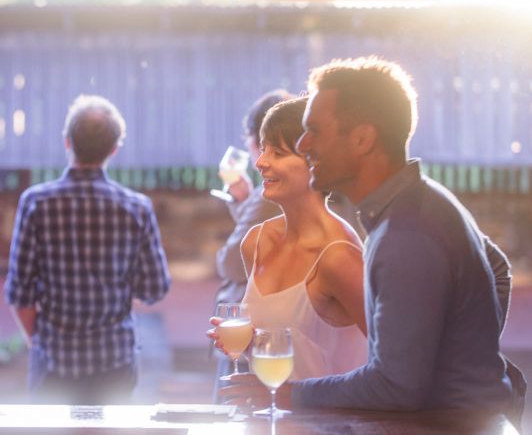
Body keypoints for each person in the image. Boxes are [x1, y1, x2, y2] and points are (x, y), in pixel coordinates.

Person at [223, 56, 521, 417]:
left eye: (314, 130)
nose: (304, 143)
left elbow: (394, 386)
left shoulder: (407, 233)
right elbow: (497, 268)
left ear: (363, 139)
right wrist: (468, 354)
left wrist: (288, 395)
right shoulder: (415, 206)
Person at [4, 94, 171, 404]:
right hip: (116, 362)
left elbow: (19, 293)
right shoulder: (136, 208)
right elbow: (155, 288)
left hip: (53, 361)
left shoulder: (36, 203)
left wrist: (39, 342)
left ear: (67, 142)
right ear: (114, 149)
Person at [211, 97, 366, 380]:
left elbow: (388, 362)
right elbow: (290, 351)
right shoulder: (256, 242)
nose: (260, 162)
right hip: (271, 417)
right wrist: (248, 345)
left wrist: (297, 399)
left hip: (327, 423)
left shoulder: (339, 256)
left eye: (278, 153)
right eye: (263, 149)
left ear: (316, 162)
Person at [212, 90, 288, 393]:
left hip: (249, 328)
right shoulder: (265, 197)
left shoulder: (267, 196)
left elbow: (231, 262)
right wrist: (241, 201)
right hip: (259, 330)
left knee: (237, 403)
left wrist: (247, 200)